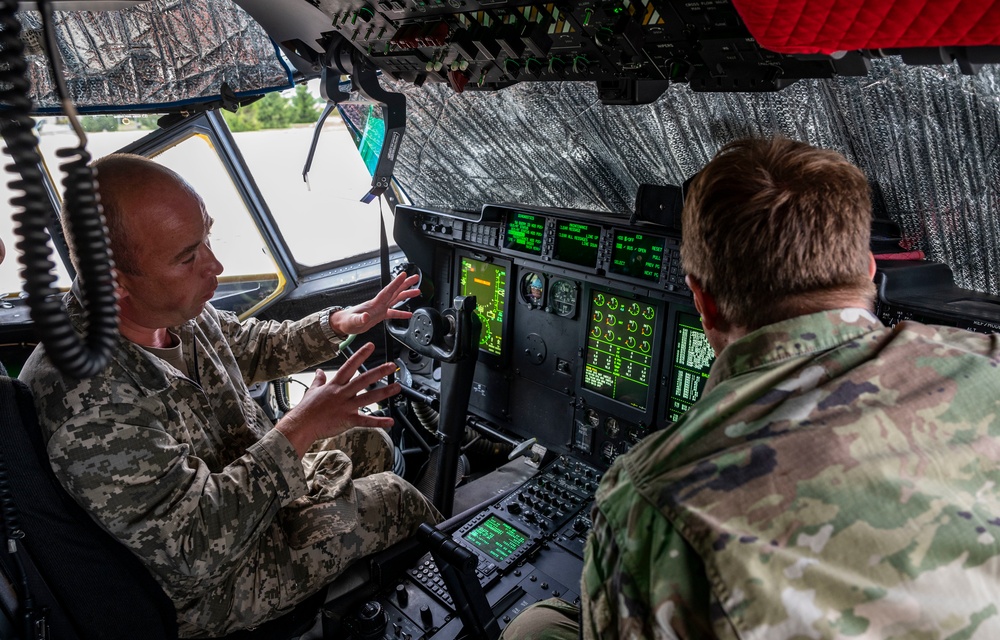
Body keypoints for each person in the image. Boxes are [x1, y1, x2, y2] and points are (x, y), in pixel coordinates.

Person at [503, 137, 1000, 639]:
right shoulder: (988, 363)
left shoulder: (649, 500)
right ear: (869, 269)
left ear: (703, 302)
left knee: (534, 626)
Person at [19, 153, 441, 638]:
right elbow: (192, 549)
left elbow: (253, 345)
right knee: (396, 499)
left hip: (241, 498)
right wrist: (300, 428)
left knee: (374, 446)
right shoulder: (87, 398)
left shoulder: (174, 311)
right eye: (187, 256)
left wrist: (339, 323)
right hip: (202, 589)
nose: (215, 265)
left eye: (207, 238)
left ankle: (366, 592)